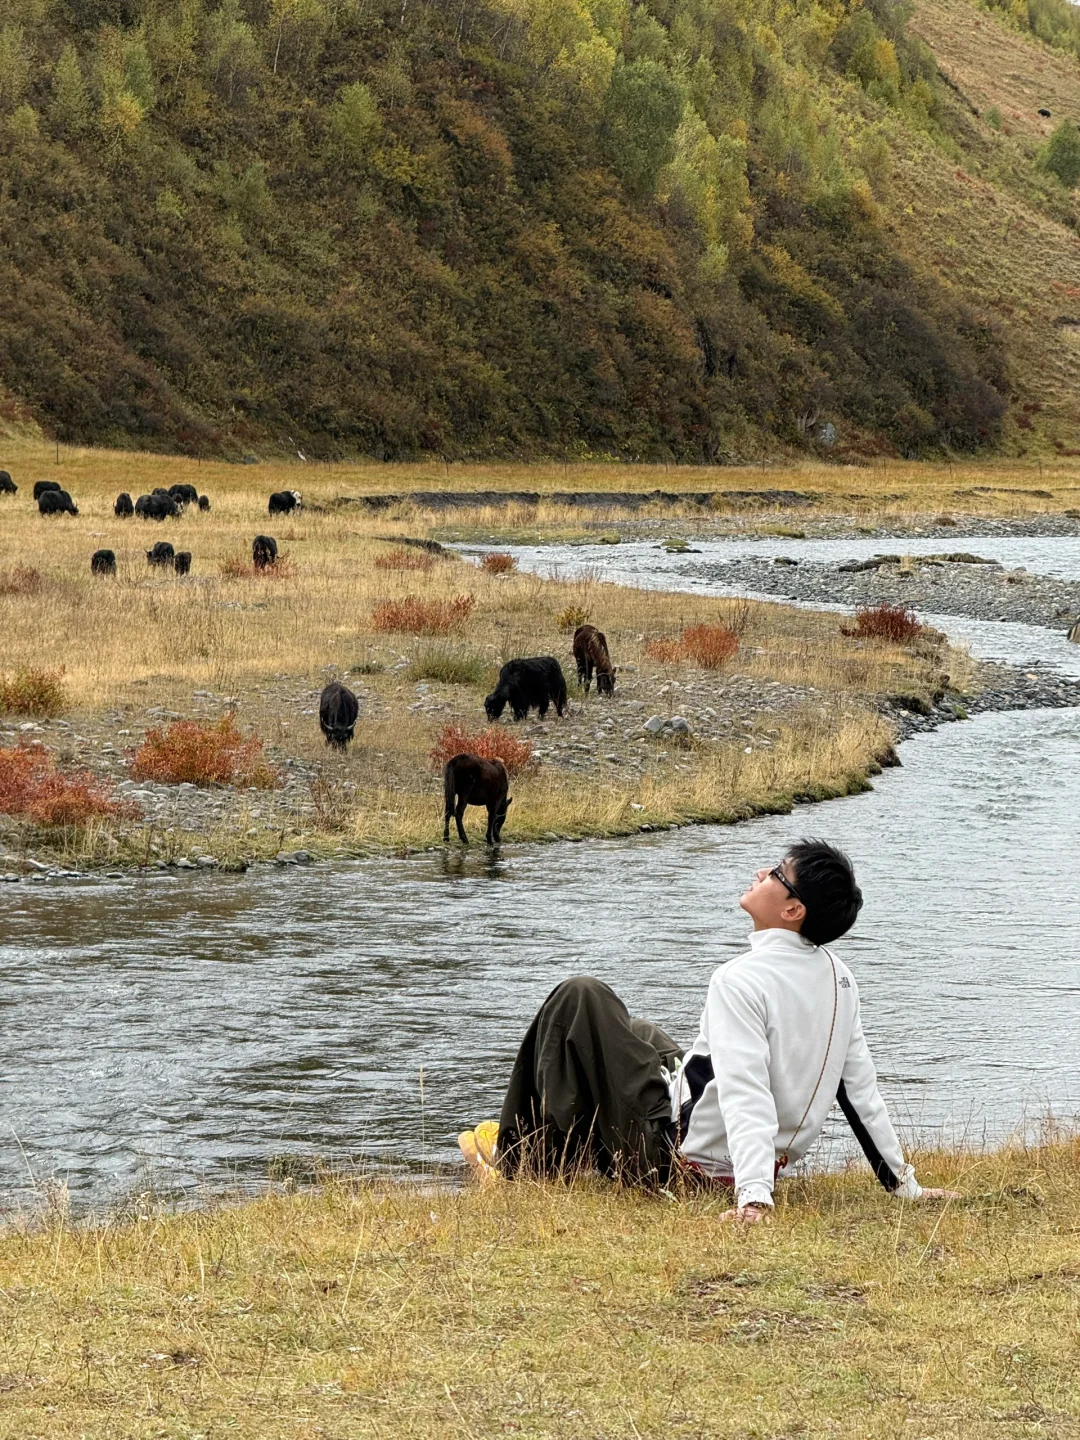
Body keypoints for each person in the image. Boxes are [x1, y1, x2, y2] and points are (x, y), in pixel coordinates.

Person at [459, 838, 960, 1218]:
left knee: (580, 997)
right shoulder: (839, 977)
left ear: (792, 910)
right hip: (737, 1149)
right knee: (640, 1032)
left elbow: (746, 1092)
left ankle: (521, 1163)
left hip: (676, 1161)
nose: (761, 872)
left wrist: (754, 1198)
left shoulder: (740, 980)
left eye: (776, 874)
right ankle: (561, 1147)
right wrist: (903, 1185)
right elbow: (859, 1091)